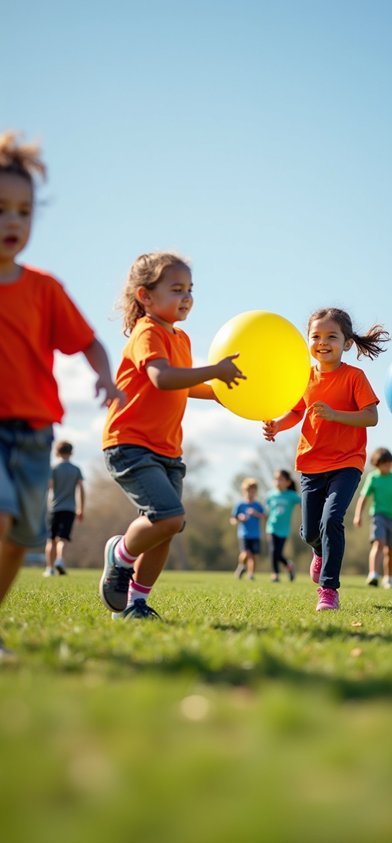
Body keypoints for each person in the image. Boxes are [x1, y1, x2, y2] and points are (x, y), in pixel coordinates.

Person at [0, 131, 122, 660]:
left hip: (34, 436)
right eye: (1, 209)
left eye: (24, 212)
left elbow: (89, 340)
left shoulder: (43, 288)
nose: (13, 222)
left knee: (21, 537)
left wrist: (105, 376)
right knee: (1, 513)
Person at [100, 252, 244, 620]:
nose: (187, 297)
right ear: (145, 297)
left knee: (166, 529)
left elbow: (182, 385)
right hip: (129, 444)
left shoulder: (181, 338)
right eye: (176, 289)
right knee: (168, 517)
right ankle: (120, 554)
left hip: (167, 449)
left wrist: (220, 392)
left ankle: (134, 605)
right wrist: (214, 370)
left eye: (190, 289)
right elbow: (162, 378)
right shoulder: (147, 333)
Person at [263, 307, 389, 611]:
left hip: (347, 463)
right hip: (310, 463)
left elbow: (371, 417)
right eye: (316, 336)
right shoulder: (303, 376)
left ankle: (329, 589)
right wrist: (279, 424)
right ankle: (319, 552)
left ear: (346, 343)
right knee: (310, 533)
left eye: (331, 336)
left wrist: (335, 415)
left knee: (332, 520)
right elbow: (297, 410)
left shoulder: (354, 377)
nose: (323, 342)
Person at [353, 447, 392, 588]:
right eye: (385, 464)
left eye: (390, 463)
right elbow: (363, 497)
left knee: (391, 550)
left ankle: (388, 578)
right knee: (378, 543)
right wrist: (358, 515)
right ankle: (373, 574)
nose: (388, 466)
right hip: (378, 515)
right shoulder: (373, 477)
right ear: (377, 464)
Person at [44, 441, 85, 576]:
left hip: (54, 508)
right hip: (70, 508)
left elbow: (49, 487)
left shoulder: (53, 468)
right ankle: (60, 560)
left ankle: (50, 569)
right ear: (71, 452)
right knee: (63, 538)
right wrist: (81, 509)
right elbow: (81, 489)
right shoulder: (76, 469)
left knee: (51, 539)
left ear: (56, 452)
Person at [265, 469, 301, 582]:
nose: (277, 482)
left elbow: (303, 503)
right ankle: (275, 574)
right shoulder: (270, 495)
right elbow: (268, 510)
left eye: (280, 479)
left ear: (288, 482)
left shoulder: (291, 496)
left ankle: (288, 565)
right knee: (272, 551)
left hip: (284, 529)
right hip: (271, 527)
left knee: (278, 553)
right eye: (275, 479)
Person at [231, 477, 266, 580]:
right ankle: (241, 565)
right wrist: (239, 518)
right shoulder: (240, 505)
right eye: (248, 491)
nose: (250, 493)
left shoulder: (258, 505)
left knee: (253, 556)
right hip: (244, 534)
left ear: (255, 492)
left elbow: (265, 517)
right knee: (246, 553)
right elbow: (232, 520)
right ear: (244, 491)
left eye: (253, 491)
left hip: (255, 534)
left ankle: (251, 574)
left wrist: (256, 514)